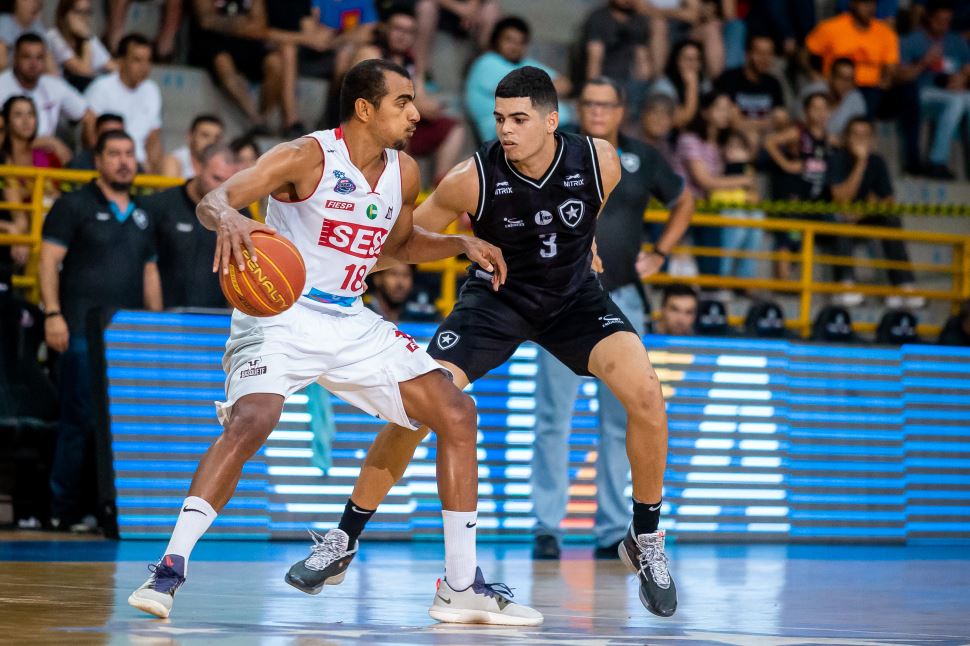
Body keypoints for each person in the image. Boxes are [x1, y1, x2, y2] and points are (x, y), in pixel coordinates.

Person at [127, 59, 541, 627]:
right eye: (403, 102)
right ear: (365, 109)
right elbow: (214, 199)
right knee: (253, 420)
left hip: (350, 320)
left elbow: (395, 248)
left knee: (456, 412)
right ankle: (169, 569)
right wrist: (230, 218)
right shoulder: (306, 156)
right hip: (279, 315)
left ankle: (461, 586)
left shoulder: (405, 172)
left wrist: (460, 245)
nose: (417, 113)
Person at [323, 65, 679, 618]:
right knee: (415, 409)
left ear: (551, 121)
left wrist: (581, 246)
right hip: (498, 299)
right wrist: (452, 244)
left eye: (518, 119)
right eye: (498, 118)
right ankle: (343, 538)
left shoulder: (599, 159)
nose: (505, 130)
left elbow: (592, 207)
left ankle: (646, 538)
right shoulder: (472, 176)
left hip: (574, 302)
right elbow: (407, 240)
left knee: (647, 395)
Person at [530, 76, 693, 562]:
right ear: (581, 107)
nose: (598, 111)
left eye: (608, 104)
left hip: (623, 295)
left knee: (622, 419)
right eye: (590, 103)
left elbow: (684, 199)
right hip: (562, 297)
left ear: (622, 110)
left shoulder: (643, 159)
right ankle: (546, 527)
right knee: (552, 417)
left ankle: (610, 529)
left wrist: (662, 252)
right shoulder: (558, 151)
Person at [39, 130, 162, 531]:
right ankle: (61, 509)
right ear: (98, 160)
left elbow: (149, 273)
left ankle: (105, 510)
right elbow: (47, 262)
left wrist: (154, 326)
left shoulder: (142, 214)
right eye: (114, 154)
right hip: (78, 329)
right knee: (78, 420)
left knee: (120, 425)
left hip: (127, 338)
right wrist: (52, 314)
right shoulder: (73, 204)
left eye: (129, 153)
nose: (124, 161)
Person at [353, 6, 467, 185]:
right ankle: (402, 189)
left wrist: (431, 108)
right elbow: (370, 96)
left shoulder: (411, 59)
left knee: (455, 128)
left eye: (408, 31)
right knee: (402, 126)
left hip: (403, 121)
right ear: (385, 29)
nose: (402, 35)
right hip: (369, 126)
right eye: (397, 29)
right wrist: (414, 106)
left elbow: (420, 96)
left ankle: (440, 185)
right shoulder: (370, 53)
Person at [827, 117, 924, 309]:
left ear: (873, 139)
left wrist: (863, 211)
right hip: (835, 218)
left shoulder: (878, 161)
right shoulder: (837, 159)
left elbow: (888, 201)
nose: (861, 140)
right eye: (856, 135)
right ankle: (845, 284)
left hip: (861, 216)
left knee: (891, 218)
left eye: (865, 135)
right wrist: (861, 163)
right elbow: (840, 198)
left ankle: (903, 285)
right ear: (846, 138)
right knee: (841, 220)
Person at [143, 144, 246, 309]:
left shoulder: (240, 215)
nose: (221, 190)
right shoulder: (161, 206)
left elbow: (242, 273)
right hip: (169, 320)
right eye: (216, 178)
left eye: (228, 183)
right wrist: (158, 320)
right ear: (198, 167)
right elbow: (148, 266)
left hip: (217, 322)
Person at [674, 91, 752, 277]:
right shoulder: (689, 139)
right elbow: (705, 181)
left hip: (709, 205)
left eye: (728, 109)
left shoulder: (721, 144)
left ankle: (744, 279)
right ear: (705, 111)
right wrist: (745, 180)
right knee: (738, 219)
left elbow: (750, 153)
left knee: (755, 217)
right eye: (720, 108)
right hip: (685, 204)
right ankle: (720, 277)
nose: (725, 113)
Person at [464, 16, 572, 143]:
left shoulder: (525, 63)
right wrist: (543, 88)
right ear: (496, 40)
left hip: (551, 129)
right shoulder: (487, 62)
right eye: (509, 40)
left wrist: (534, 88)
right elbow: (515, 91)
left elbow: (565, 84)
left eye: (520, 42)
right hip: (505, 135)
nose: (515, 46)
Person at [898, 0, 970, 180]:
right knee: (957, 101)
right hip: (920, 96)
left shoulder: (956, 42)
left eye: (948, 20)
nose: (944, 25)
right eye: (940, 20)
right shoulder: (911, 41)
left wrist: (962, 78)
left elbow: (967, 67)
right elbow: (901, 77)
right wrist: (924, 62)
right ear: (928, 18)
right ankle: (936, 161)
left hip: (952, 95)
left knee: (964, 100)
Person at [188, 0, 283, 134]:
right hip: (212, 43)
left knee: (276, 62)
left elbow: (260, 26)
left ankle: (264, 117)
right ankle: (256, 119)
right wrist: (244, 22)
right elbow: (205, 21)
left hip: (247, 44)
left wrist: (223, 22)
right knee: (222, 61)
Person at [804, 0, 899, 117]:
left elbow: (891, 66)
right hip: (834, 83)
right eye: (865, 3)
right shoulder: (831, 27)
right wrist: (812, 73)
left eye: (873, 4)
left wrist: (887, 79)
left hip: (868, 87)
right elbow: (806, 52)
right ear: (853, 4)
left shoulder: (885, 33)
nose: (870, 8)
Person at [84, 34, 163, 173]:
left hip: (139, 166)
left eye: (148, 60)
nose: (145, 67)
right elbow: (89, 135)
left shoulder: (152, 90)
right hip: (107, 165)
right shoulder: (101, 87)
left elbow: (153, 139)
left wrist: (154, 174)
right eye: (137, 60)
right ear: (121, 61)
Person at [0, 34, 95, 148]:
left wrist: (90, 153)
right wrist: (47, 142)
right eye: (27, 57)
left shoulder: (54, 85)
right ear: (15, 58)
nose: (33, 63)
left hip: (46, 155)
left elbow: (89, 116)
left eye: (39, 57)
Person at [581, 0, 652, 112]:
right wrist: (595, 92)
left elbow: (642, 63)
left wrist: (643, 90)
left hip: (630, 84)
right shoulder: (598, 18)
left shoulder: (640, 21)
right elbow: (594, 62)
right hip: (605, 81)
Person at [714, 33, 787, 139]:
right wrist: (768, 123)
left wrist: (752, 124)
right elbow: (735, 123)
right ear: (747, 54)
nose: (765, 58)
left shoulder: (773, 83)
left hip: (766, 139)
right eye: (760, 53)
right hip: (736, 139)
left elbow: (781, 119)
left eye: (769, 54)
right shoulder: (730, 79)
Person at [46, 0, 115, 92]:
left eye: (87, 12)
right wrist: (85, 39)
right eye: (79, 12)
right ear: (65, 14)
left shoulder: (89, 37)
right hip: (61, 93)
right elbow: (84, 72)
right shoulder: (54, 36)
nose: (84, 18)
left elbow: (113, 67)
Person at [799, 57, 868, 139]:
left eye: (849, 79)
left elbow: (860, 132)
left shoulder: (856, 100)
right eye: (841, 77)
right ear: (831, 76)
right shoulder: (813, 91)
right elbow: (798, 121)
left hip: (840, 147)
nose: (845, 83)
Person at [652, 39, 712, 129]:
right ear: (677, 61)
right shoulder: (663, 85)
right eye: (687, 59)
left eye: (697, 59)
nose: (692, 64)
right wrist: (692, 86)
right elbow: (679, 120)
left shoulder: (704, 84)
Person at [161, 114, 225, 179]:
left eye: (217, 138)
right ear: (190, 136)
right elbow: (169, 189)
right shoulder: (174, 161)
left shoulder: (224, 165)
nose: (211, 142)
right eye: (205, 135)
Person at [0, 0, 45, 71]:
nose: (35, 5)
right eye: (30, 1)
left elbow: (49, 65)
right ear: (16, 2)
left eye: (37, 2)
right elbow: (1, 64)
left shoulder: (38, 27)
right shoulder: (4, 22)